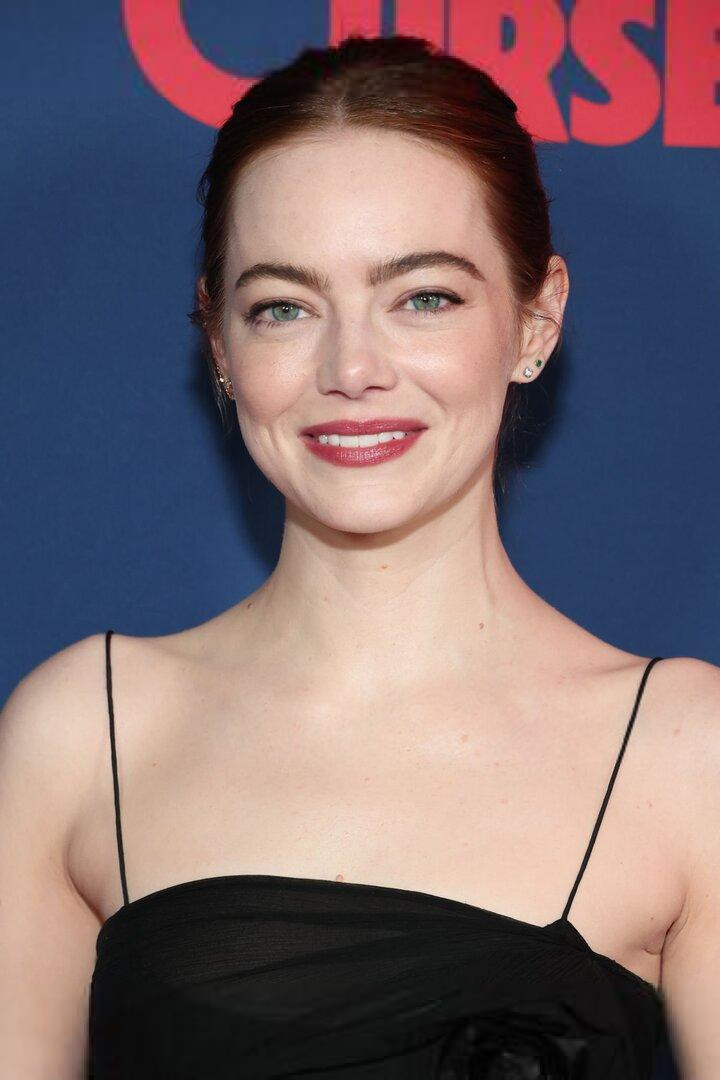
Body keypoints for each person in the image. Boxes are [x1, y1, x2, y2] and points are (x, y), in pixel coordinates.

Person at [1, 32, 718, 1080]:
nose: (351, 368)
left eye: (423, 296)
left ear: (535, 319)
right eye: (283, 308)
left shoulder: (684, 755)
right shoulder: (84, 733)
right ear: (220, 345)